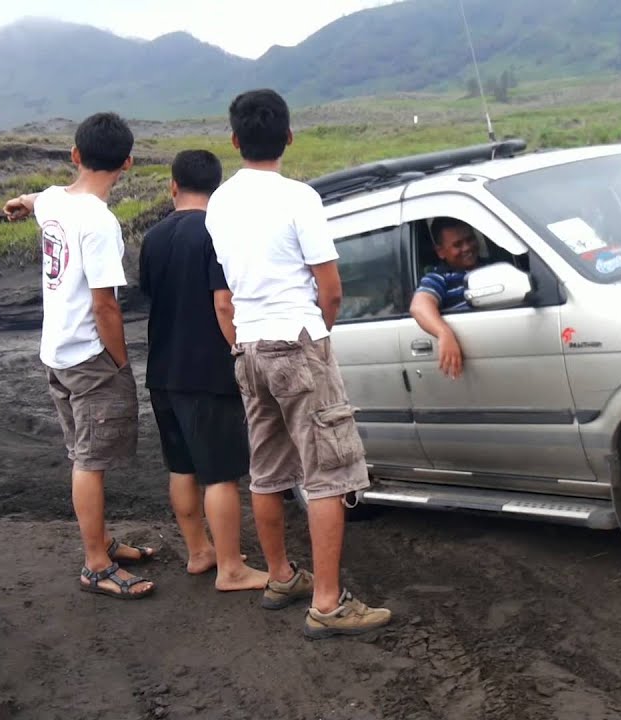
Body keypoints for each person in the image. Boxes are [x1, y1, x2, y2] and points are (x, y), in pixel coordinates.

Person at [204, 88, 391, 639]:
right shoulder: (299, 198)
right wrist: (321, 334)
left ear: (235, 140)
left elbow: (224, 295)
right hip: (298, 340)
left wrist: (243, 338)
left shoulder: (219, 203)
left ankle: (282, 577)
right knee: (328, 472)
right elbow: (328, 286)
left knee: (267, 470)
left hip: (250, 345)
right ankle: (329, 603)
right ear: (288, 136)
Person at [2, 112, 157, 599]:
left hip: (56, 351)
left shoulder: (54, 202)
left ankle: (103, 541)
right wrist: (119, 361)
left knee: (82, 452)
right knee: (89, 461)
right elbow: (105, 304)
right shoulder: (100, 223)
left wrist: (18, 202)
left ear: (75, 155)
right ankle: (95, 564)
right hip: (90, 356)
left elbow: (36, 197)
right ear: (127, 163)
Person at [138, 149, 268, 592]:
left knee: (182, 466)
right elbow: (223, 301)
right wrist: (238, 350)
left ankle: (200, 551)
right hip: (207, 371)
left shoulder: (152, 238)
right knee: (220, 472)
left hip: (162, 370)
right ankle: (232, 568)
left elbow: (152, 295)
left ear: (173, 186)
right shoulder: (217, 230)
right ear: (217, 187)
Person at [409, 217, 485, 379]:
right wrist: (444, 333)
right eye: (457, 245)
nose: (467, 248)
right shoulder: (440, 278)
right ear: (441, 252)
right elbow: (419, 306)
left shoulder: (494, 265)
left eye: (470, 239)